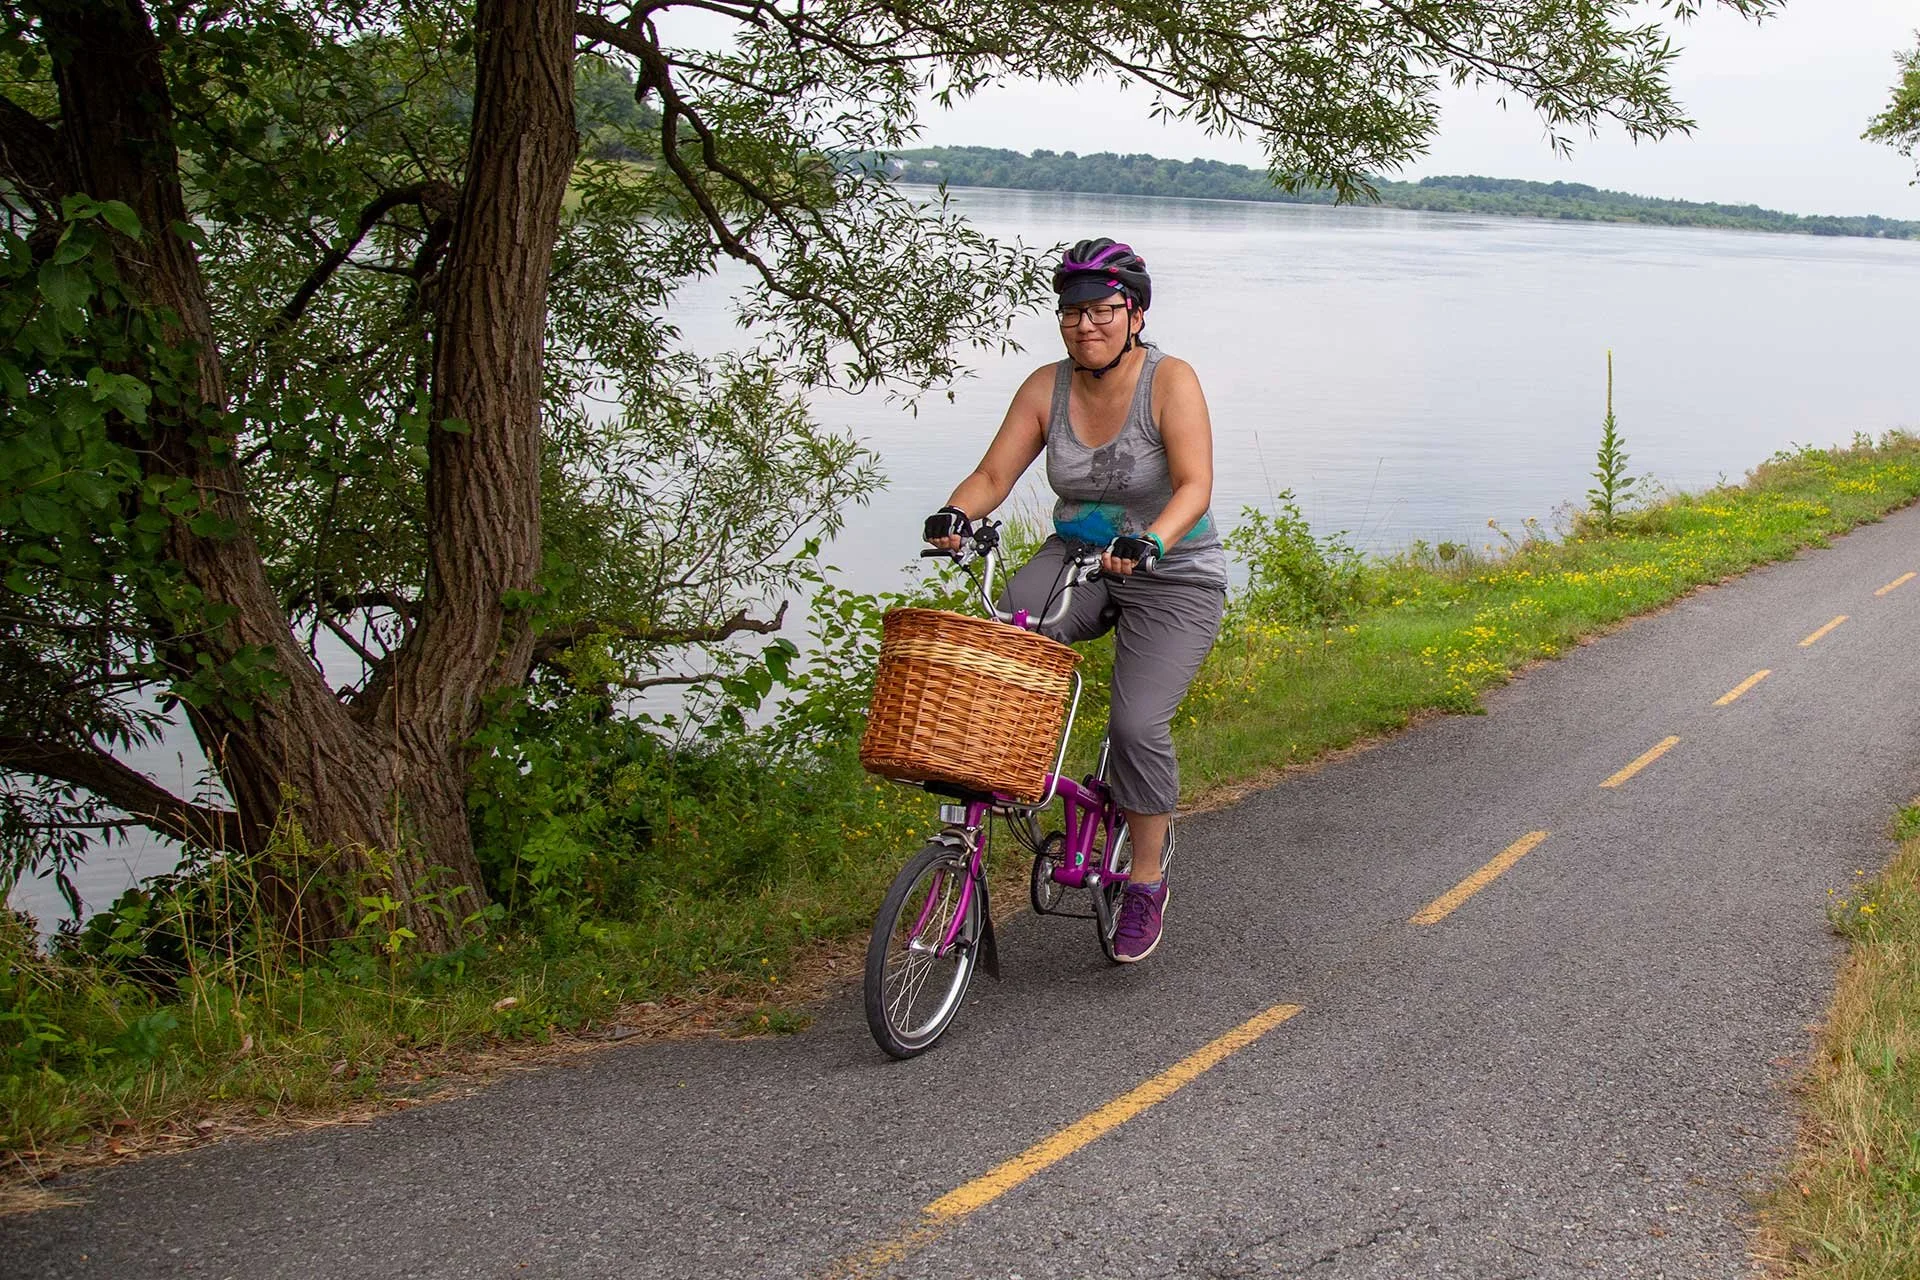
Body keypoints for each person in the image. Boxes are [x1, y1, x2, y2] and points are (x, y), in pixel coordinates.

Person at [923, 238, 1227, 963]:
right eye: (1070, 312)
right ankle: (989, 806)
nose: (1083, 324)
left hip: (1171, 567)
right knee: (1003, 653)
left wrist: (1152, 540)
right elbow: (994, 473)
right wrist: (955, 514)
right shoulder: (1046, 387)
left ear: (1136, 313)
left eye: (1100, 310)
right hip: (1076, 558)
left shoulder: (1169, 380)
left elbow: (1194, 486)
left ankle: (1146, 879)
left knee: (1136, 724)